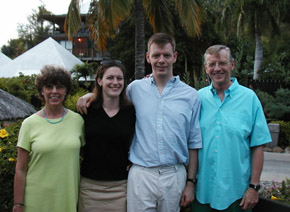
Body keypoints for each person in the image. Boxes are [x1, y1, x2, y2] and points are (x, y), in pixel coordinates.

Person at [77, 33, 202, 212]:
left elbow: (194, 142)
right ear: (147, 57)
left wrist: (190, 182)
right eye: (156, 55)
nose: (161, 60)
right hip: (141, 174)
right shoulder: (135, 89)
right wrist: (90, 95)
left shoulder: (190, 95)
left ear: (174, 57)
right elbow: (111, 94)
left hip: (174, 175)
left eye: (166, 55)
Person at [193, 45, 272, 212]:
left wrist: (254, 187)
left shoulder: (249, 99)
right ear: (206, 68)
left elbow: (258, 146)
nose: (217, 68)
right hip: (202, 193)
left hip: (237, 196)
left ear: (232, 65)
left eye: (222, 63)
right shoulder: (197, 98)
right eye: (212, 64)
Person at [13, 65, 85, 212]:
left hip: (67, 198)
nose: (54, 91)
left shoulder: (78, 121)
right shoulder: (29, 124)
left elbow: (88, 155)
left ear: (66, 91)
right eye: (49, 87)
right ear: (41, 90)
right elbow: (20, 169)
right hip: (35, 200)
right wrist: (18, 203)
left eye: (59, 87)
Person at [78, 61, 135, 212]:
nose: (115, 82)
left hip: (121, 187)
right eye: (110, 78)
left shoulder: (131, 112)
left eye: (119, 78)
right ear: (99, 80)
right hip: (89, 187)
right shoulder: (86, 110)